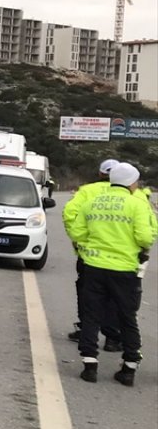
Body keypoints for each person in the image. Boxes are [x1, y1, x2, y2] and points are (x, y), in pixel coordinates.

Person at [66, 162, 155, 386]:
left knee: (91, 316)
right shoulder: (137, 204)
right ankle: (129, 368)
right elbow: (145, 238)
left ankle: (89, 365)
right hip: (124, 270)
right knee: (127, 317)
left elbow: (77, 232)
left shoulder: (92, 202)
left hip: (94, 266)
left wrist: (89, 249)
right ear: (132, 182)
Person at [62, 159, 123, 351]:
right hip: (123, 259)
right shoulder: (132, 193)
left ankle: (86, 332)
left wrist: (78, 240)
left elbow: (69, 212)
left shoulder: (88, 191)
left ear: (100, 174)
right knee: (115, 298)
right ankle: (113, 338)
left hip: (91, 255)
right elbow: (147, 229)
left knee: (88, 294)